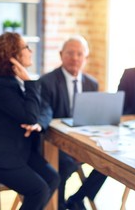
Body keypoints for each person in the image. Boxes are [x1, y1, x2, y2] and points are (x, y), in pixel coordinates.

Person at [0, 32, 60, 210]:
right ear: (13, 55)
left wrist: (36, 124)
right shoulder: (3, 86)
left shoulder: (13, 83)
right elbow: (30, 116)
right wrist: (29, 81)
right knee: (38, 190)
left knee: (52, 177)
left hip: (14, 149)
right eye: (26, 47)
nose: (31, 50)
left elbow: (41, 110)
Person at [38, 35, 104, 210]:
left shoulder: (92, 83)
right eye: (70, 53)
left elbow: (92, 117)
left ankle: (78, 198)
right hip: (56, 143)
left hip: (84, 141)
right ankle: (58, 205)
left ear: (86, 58)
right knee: (65, 163)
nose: (75, 58)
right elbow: (45, 116)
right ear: (61, 55)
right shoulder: (47, 82)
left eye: (79, 54)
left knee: (109, 161)